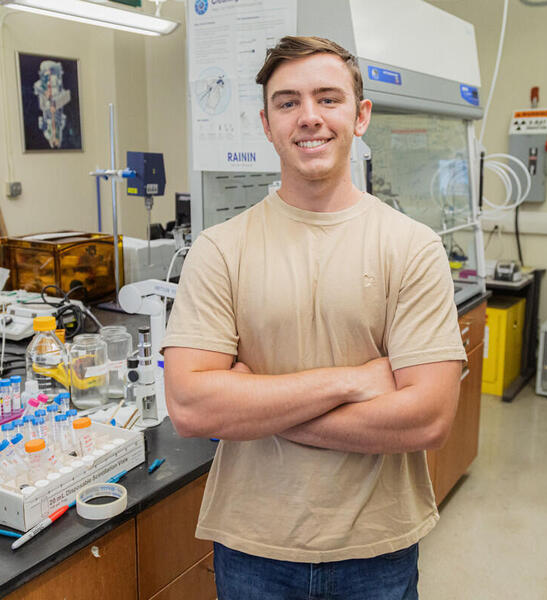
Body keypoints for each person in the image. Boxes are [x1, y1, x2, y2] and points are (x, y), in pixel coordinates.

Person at [163, 35, 466, 600]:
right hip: (254, 545)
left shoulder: (411, 247)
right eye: (288, 102)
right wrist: (354, 381)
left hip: (377, 546)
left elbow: (428, 419)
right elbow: (189, 406)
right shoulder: (221, 248)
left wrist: (255, 406)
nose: (309, 118)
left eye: (328, 98)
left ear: (360, 115)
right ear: (266, 122)